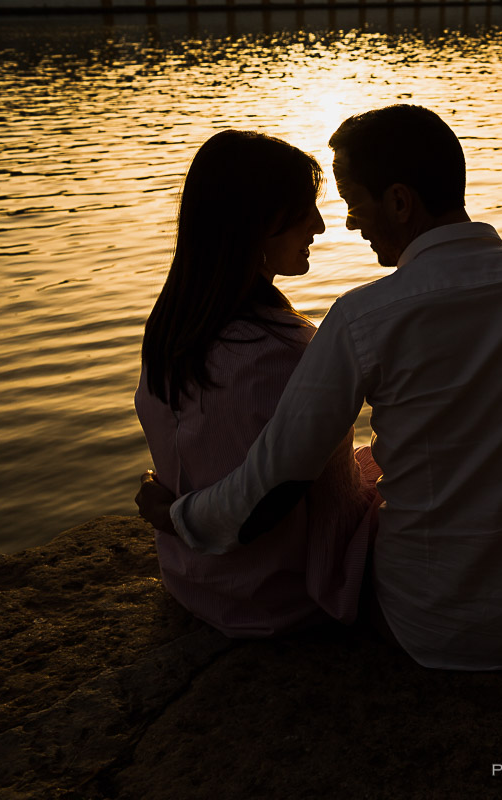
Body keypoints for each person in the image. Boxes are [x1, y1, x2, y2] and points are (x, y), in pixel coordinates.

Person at [140, 105, 502, 670]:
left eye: (355, 203)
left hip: (414, 625)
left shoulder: (361, 318)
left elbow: (273, 487)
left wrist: (176, 515)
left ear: (401, 201)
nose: (350, 223)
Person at [135, 130, 380, 638]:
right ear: (254, 225)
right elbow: (264, 504)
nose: (318, 224)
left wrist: (168, 513)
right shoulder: (285, 351)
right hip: (286, 593)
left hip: (193, 581)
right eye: (302, 210)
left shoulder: (171, 328)